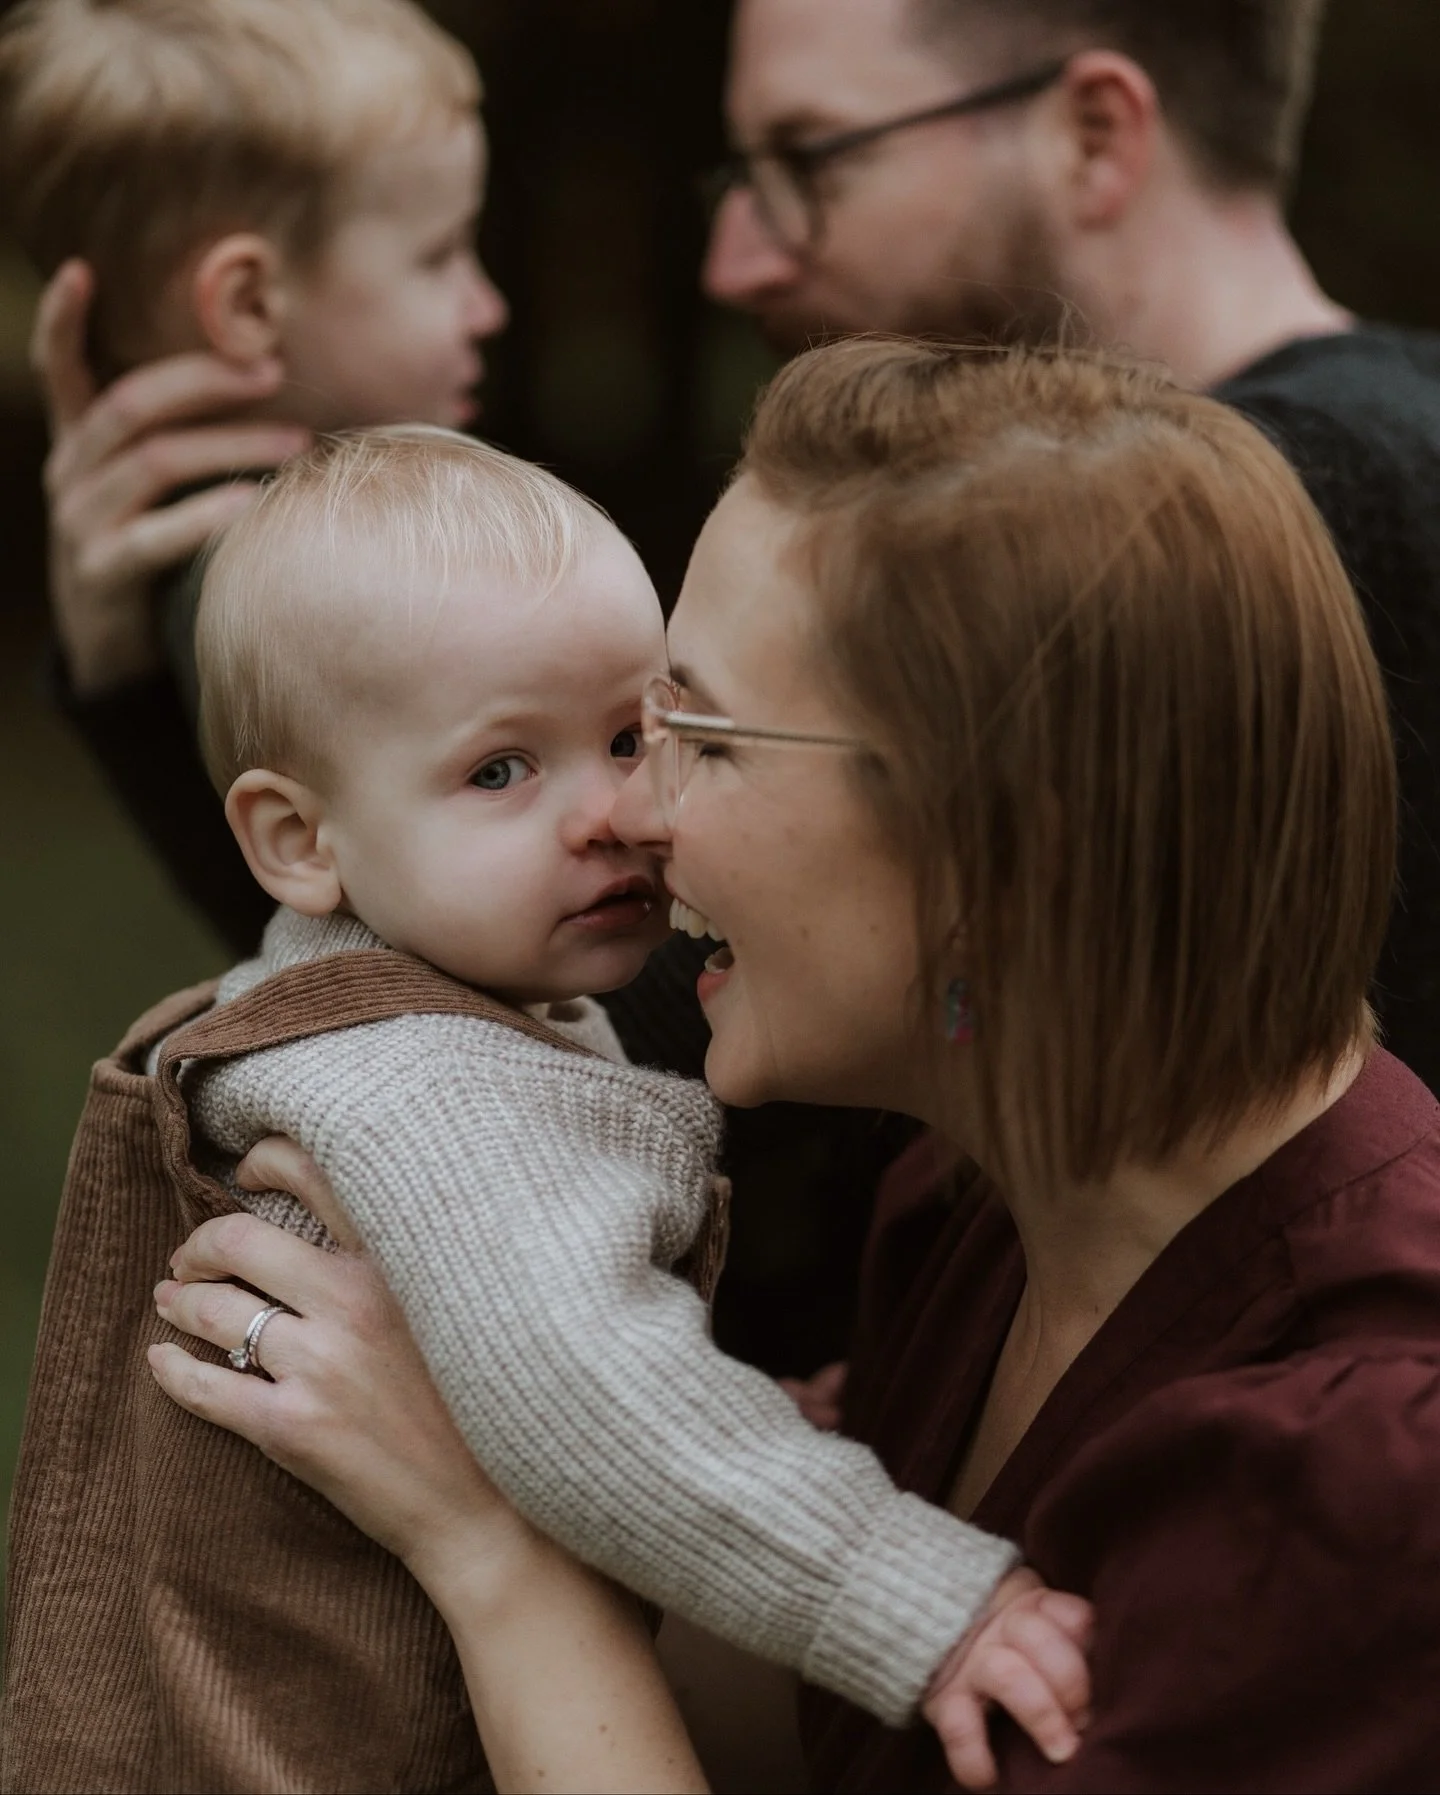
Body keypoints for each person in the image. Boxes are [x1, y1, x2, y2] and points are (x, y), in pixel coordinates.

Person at [148, 341, 1440, 1791]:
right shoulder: (982, 1192)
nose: (635, 814)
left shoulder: (1371, 1482)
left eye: (687, 734)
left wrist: (494, 1542)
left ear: (999, 849)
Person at [3, 421, 1093, 1794]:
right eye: (501, 770)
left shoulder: (414, 1003)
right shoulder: (432, 1089)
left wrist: (736, 1408)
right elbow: (591, 1398)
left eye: (634, 733)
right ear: (299, 840)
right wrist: (927, 1607)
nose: (614, 812)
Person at [702, 0, 1440, 1094]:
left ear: (1094, 136)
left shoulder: (1238, 535)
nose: (737, 260)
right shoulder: (1398, 431)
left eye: (813, 159)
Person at [0, 0, 508, 952]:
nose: (487, 306)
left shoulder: (212, 570)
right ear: (245, 302)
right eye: (438, 255)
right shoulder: (316, 588)